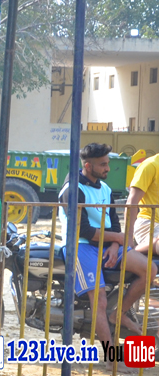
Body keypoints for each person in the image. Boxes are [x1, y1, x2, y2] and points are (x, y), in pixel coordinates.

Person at [61, 142, 154, 342]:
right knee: (99, 301)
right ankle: (110, 355)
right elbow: (83, 230)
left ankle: (119, 313)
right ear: (88, 166)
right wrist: (118, 239)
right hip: (80, 246)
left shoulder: (105, 188)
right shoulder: (73, 189)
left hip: (106, 243)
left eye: (107, 163)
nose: (108, 168)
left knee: (150, 270)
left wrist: (114, 245)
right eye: (103, 164)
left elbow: (114, 223)